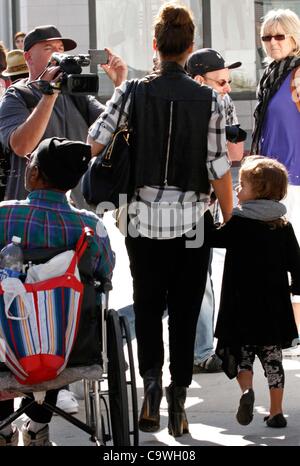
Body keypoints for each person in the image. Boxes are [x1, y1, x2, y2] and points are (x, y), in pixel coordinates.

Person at [87, 2, 232, 437]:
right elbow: (219, 167)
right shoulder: (210, 98)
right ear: (189, 48)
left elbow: (95, 143)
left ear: (155, 46)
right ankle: (179, 398)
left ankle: (150, 386)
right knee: (187, 310)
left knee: (149, 304)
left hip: (140, 218)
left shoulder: (132, 91)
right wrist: (232, 218)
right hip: (191, 221)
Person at [0, 137, 114, 446]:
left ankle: (3, 427)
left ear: (34, 174)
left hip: (4, 343)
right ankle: (37, 425)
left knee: (16, 319)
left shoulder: (3, 215)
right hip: (68, 348)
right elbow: (104, 276)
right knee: (61, 315)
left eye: (30, 163)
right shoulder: (90, 225)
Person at [209, 156, 300, 428]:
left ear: (258, 191)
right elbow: (296, 263)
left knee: (243, 358)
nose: (237, 190)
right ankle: (276, 412)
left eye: (242, 185)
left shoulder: (238, 224)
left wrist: (206, 208)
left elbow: (212, 238)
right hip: (272, 308)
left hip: (240, 307)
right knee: (273, 361)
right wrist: (296, 287)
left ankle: (247, 391)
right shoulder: (282, 226)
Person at [0, 24, 127, 203]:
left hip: (77, 211)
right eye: (49, 49)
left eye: (60, 49)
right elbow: (22, 146)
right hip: (32, 211)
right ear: (28, 56)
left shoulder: (76, 95)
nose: (58, 55)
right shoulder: (17, 96)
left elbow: (112, 128)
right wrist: (49, 93)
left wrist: (120, 84)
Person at [187, 48, 245, 373]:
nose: (227, 87)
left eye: (230, 81)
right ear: (199, 79)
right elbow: (223, 162)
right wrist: (230, 213)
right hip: (193, 207)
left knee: (193, 277)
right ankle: (199, 353)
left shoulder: (219, 103)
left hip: (196, 206)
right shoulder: (197, 105)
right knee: (197, 279)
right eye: (221, 81)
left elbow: (234, 154)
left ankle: (197, 349)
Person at [251, 9, 300, 354]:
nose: (272, 43)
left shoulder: (297, 74)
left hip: (297, 177)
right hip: (272, 177)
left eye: (279, 36)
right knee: (275, 258)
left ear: (295, 38)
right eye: (267, 37)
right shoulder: (270, 75)